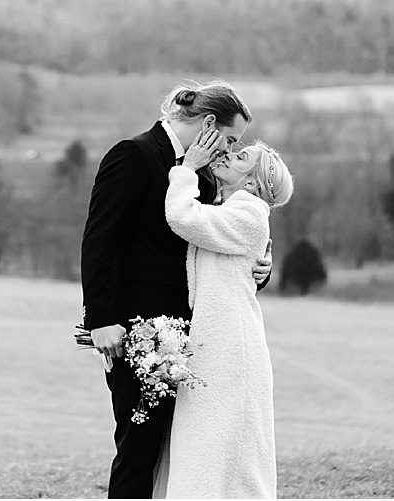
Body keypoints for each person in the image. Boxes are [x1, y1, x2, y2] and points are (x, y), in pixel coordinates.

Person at [80, 81, 273, 499]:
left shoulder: (200, 174)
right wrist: (102, 320)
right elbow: (99, 241)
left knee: (173, 453)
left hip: (193, 338)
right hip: (136, 329)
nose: (230, 149)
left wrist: (262, 265)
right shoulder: (134, 154)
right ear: (208, 123)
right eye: (231, 138)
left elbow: (219, 242)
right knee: (138, 448)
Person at [155, 129, 294, 499]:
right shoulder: (229, 209)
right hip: (214, 342)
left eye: (243, 157)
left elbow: (183, 217)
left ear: (252, 181)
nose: (232, 155)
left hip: (231, 345)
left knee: (223, 443)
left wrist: (186, 169)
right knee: (206, 440)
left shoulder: (248, 211)